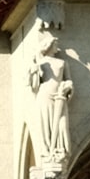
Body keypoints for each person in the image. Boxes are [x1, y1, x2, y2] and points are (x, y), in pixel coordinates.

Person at [28, 25, 72, 169]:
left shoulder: (62, 63)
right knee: (45, 126)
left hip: (59, 96)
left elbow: (68, 79)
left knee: (61, 126)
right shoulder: (41, 62)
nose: (57, 46)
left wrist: (67, 86)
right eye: (54, 44)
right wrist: (35, 68)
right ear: (48, 46)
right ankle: (48, 152)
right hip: (45, 96)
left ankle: (58, 151)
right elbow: (34, 82)